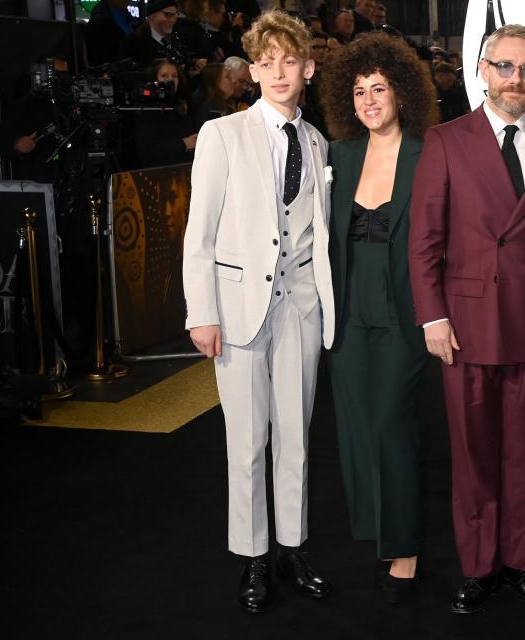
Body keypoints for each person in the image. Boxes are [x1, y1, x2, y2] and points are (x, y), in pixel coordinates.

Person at [408, 23, 525, 615]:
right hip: (468, 323)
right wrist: (432, 317)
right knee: (473, 454)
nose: (516, 80)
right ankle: (478, 565)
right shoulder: (446, 139)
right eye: (506, 66)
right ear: (482, 68)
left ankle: (523, 561)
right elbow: (424, 240)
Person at [182, 10, 335, 614]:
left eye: (288, 61)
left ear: (308, 68)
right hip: (238, 308)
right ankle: (252, 558)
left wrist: (324, 304)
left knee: (296, 438)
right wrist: (202, 312)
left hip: (301, 305)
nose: (277, 71)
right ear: (253, 69)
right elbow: (201, 231)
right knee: (245, 441)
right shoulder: (223, 135)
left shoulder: (318, 140)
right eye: (266, 61)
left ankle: (292, 549)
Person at [320, 32, 438, 605]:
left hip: (404, 313)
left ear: (403, 92)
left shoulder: (428, 151)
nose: (369, 100)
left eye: (380, 88)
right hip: (345, 312)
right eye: (360, 90)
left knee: (392, 423)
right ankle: (376, 531)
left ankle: (406, 543)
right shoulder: (337, 156)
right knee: (357, 427)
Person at [134, 59, 198, 168]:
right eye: (164, 76)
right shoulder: (148, 111)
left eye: (174, 76)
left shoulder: (182, 105)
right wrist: (183, 144)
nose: (171, 81)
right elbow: (147, 153)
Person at [122, 0, 180, 69]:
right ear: (151, 15)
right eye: (168, 14)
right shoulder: (135, 42)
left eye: (175, 15)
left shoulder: (175, 39)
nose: (173, 20)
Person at [189, 62, 235, 129]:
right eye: (227, 77)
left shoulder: (227, 104)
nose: (233, 80)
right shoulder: (209, 109)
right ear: (215, 81)